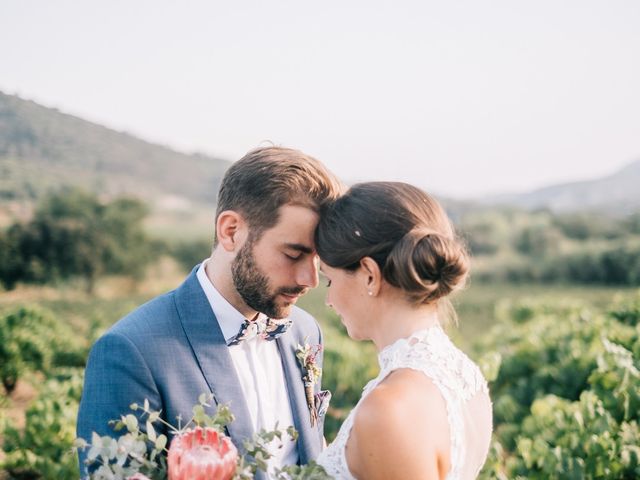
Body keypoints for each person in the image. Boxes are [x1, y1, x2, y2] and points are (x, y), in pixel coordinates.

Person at [76, 146, 343, 478]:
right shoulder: (131, 351)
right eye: (293, 254)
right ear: (231, 231)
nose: (310, 280)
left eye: (318, 260)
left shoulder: (305, 331)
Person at [315, 182, 492, 480]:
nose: (329, 301)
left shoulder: (388, 408)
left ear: (370, 276)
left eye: (329, 281)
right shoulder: (466, 376)